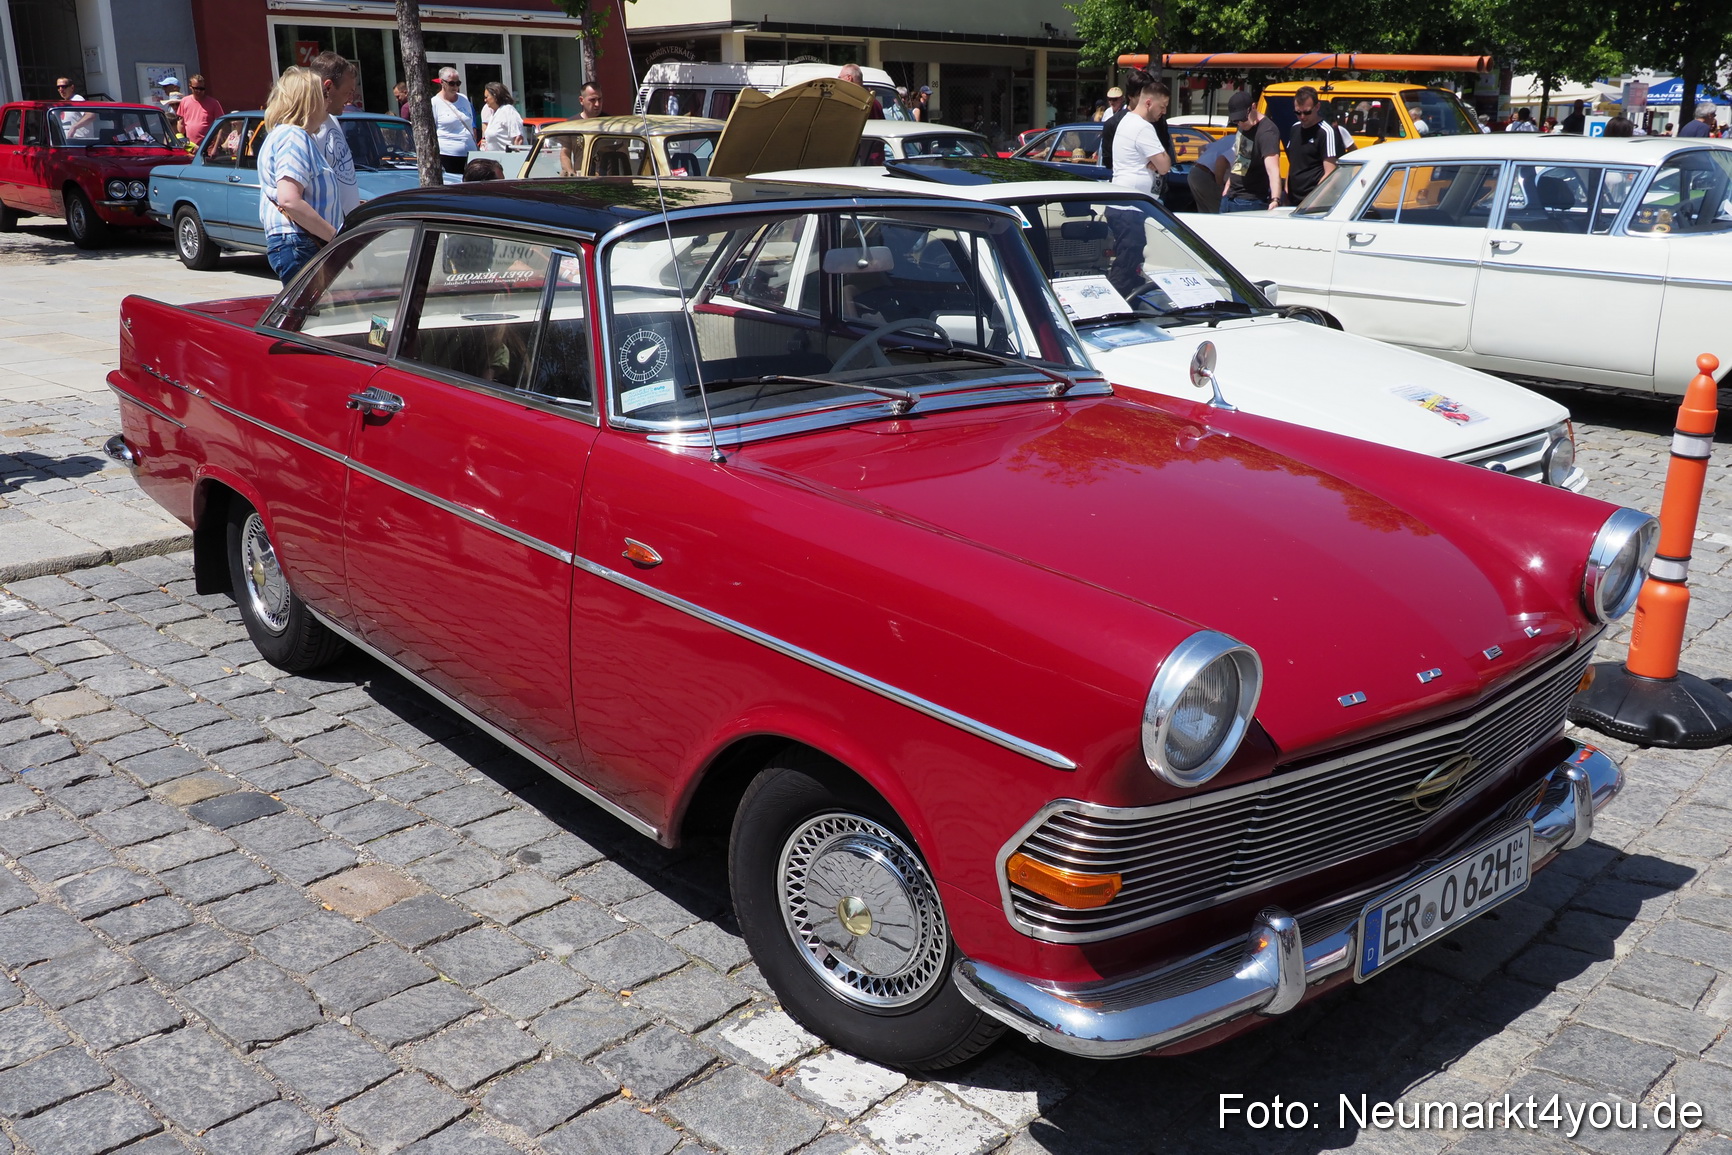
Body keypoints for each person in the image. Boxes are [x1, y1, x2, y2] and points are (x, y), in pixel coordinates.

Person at [256, 67, 341, 283]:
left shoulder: (285, 134)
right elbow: (289, 199)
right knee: (310, 316)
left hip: (299, 243)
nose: (327, 100)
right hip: (300, 243)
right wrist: (336, 238)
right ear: (309, 100)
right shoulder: (293, 135)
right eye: (323, 94)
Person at [309, 51, 361, 218]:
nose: (350, 99)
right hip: (326, 234)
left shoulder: (333, 118)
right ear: (329, 86)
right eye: (348, 92)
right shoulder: (306, 129)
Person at [1109, 71, 1171, 198]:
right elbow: (1164, 167)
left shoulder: (1126, 120)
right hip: (1133, 204)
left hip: (1126, 199)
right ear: (1148, 103)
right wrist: (1160, 160)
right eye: (1162, 106)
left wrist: (1158, 160)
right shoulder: (1143, 127)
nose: (1164, 111)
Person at [1222, 90, 1282, 211]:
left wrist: (1275, 199)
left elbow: (1273, 169)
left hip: (1251, 201)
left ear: (1253, 107)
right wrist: (1228, 185)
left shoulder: (1267, 132)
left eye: (1243, 119)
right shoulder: (1243, 127)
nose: (1240, 123)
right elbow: (1241, 159)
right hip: (1230, 196)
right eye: (1236, 121)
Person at [1284, 84, 1342, 204]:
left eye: (1307, 112)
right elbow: (1293, 162)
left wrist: (1312, 201)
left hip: (1313, 201)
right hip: (1292, 199)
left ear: (1317, 107)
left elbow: (1330, 172)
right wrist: (1286, 188)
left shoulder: (1325, 132)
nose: (1302, 117)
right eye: (1298, 113)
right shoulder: (1295, 128)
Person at [432, 66, 476, 175]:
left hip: (470, 154)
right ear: (442, 82)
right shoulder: (434, 102)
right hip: (447, 154)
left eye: (458, 83)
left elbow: (471, 124)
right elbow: (431, 131)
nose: (455, 86)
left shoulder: (464, 99)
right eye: (452, 83)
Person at [1188, 128, 1237, 214]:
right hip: (1207, 175)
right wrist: (1219, 184)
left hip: (1195, 171)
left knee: (1204, 212)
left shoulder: (1229, 138)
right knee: (1217, 212)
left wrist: (1203, 163)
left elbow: (1202, 148)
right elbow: (1221, 160)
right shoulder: (1239, 143)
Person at [178, 74, 222, 146]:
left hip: (207, 146)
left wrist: (215, 147)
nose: (199, 91)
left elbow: (221, 126)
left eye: (201, 89)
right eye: (196, 88)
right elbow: (181, 125)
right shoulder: (184, 101)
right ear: (190, 87)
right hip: (190, 146)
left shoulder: (214, 103)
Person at [481, 81, 525, 150]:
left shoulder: (508, 111)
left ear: (495, 96)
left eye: (486, 97)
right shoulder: (494, 114)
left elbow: (518, 138)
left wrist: (517, 157)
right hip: (495, 158)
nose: (485, 100)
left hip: (508, 159)